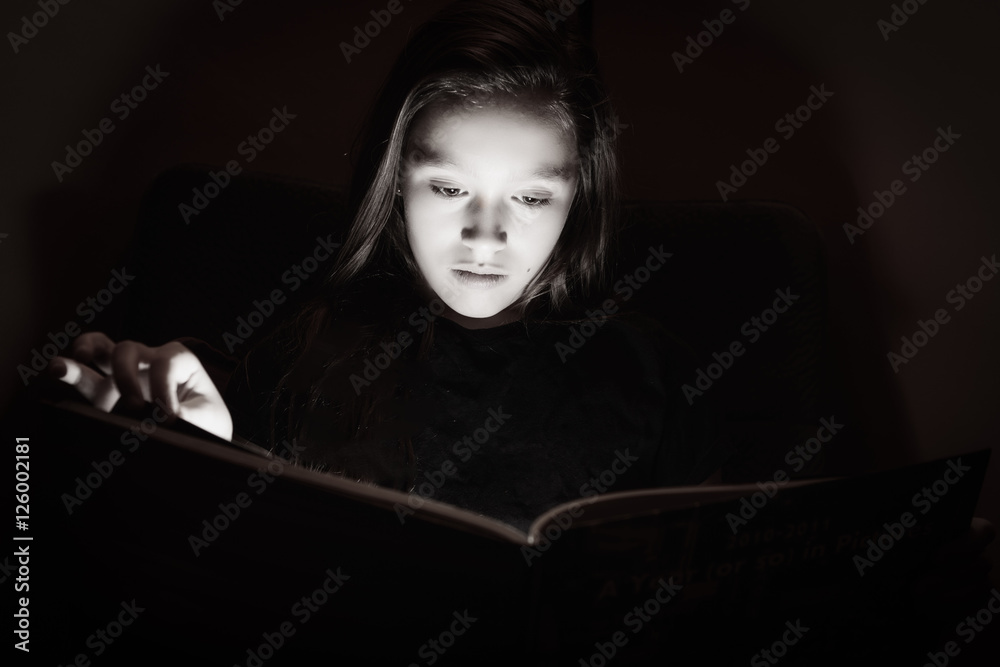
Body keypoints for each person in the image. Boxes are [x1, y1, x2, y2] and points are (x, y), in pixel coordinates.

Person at [49, 0, 991, 609]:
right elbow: (199, 578)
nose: (487, 235)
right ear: (397, 186)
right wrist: (174, 452)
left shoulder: (652, 372)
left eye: (531, 198)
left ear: (576, 200)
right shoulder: (299, 345)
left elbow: (764, 586)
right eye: (450, 190)